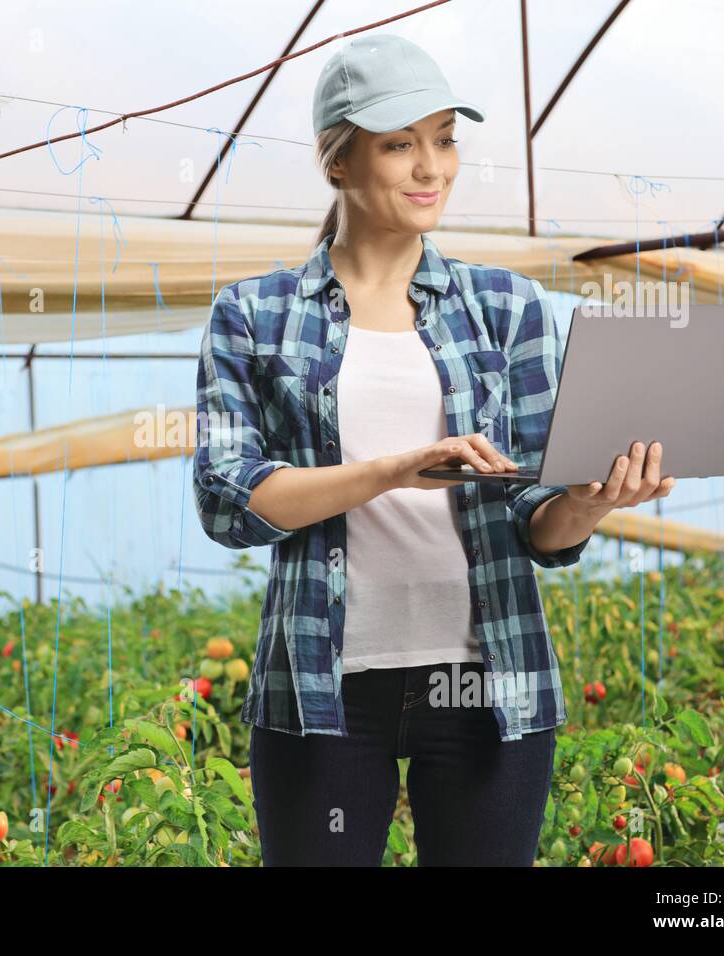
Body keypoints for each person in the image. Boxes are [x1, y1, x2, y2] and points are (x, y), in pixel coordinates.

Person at [192, 33, 675, 866]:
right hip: (324, 684)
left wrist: (589, 502)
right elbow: (228, 500)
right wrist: (390, 471)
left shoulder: (509, 307)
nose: (432, 167)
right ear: (337, 161)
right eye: (399, 144)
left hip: (486, 681)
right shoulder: (255, 315)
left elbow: (538, 522)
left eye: (445, 138)